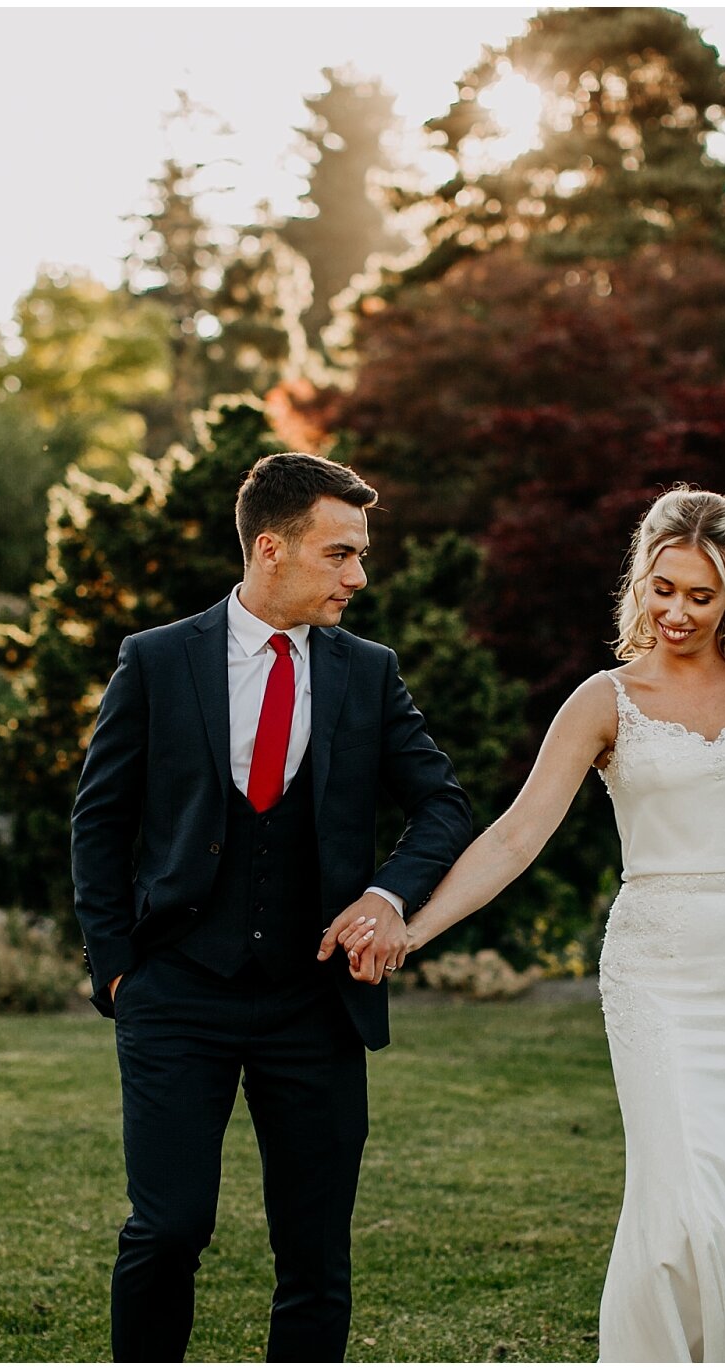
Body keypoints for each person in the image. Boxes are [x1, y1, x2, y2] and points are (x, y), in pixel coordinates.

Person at [326, 486, 725, 1361]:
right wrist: (415, 925)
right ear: (642, 582)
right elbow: (517, 835)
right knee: (686, 1202)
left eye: (700, 596)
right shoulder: (605, 700)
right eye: (662, 589)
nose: (676, 612)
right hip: (661, 975)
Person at [70, 451, 473, 1362]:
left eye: (359, 555)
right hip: (176, 990)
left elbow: (442, 803)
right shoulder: (159, 659)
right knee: (167, 1229)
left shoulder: (367, 673)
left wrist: (384, 895)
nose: (358, 577)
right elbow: (99, 821)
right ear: (270, 549)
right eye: (340, 555)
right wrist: (118, 969)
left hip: (314, 1001)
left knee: (315, 1254)